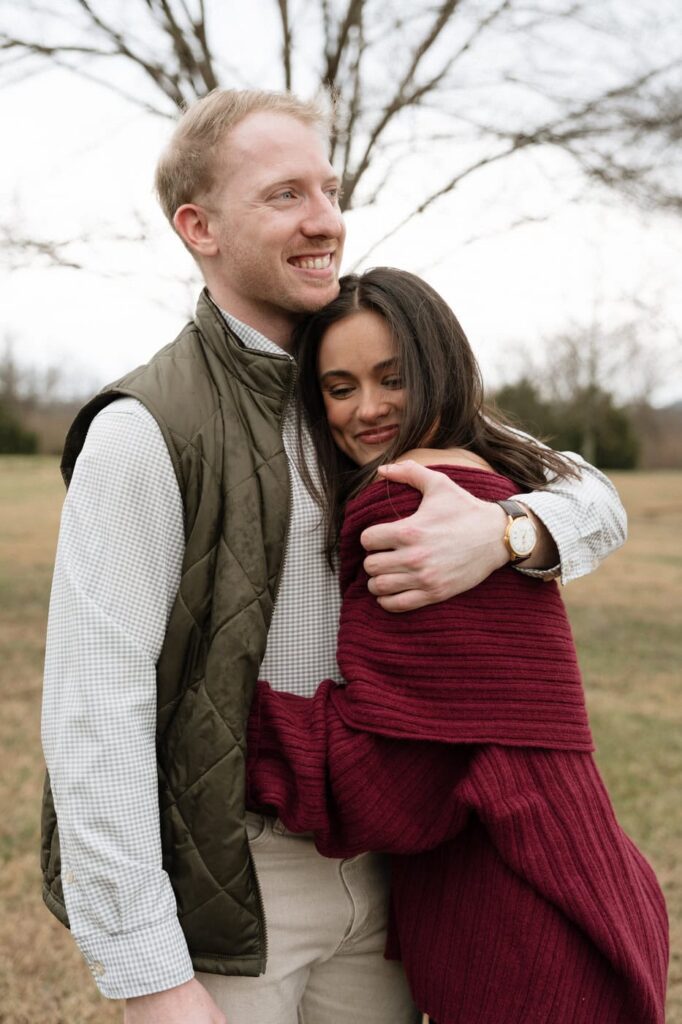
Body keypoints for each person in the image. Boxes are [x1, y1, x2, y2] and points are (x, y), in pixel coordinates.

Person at [40, 88, 627, 1024]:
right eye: (285, 196)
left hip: (393, 875)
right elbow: (94, 715)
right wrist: (150, 975)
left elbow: (591, 492)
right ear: (199, 226)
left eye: (331, 188)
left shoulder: (360, 380)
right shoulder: (146, 429)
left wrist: (508, 531)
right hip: (241, 882)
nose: (326, 221)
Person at [246, 267, 669, 1024]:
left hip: (518, 924)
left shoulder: (410, 503)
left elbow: (394, 784)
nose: (368, 409)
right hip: (574, 885)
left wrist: (221, 721)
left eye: (392, 378)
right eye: (340, 388)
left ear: (437, 369)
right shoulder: (491, 477)